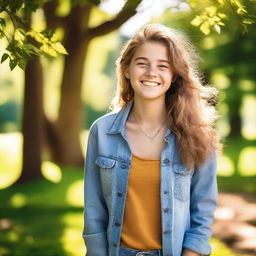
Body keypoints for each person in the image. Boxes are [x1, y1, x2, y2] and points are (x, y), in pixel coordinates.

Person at [82, 23, 221, 256]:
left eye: (163, 66)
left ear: (174, 75)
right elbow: (94, 212)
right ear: (126, 69)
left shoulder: (198, 135)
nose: (151, 73)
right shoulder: (102, 132)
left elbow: (203, 211)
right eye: (142, 63)